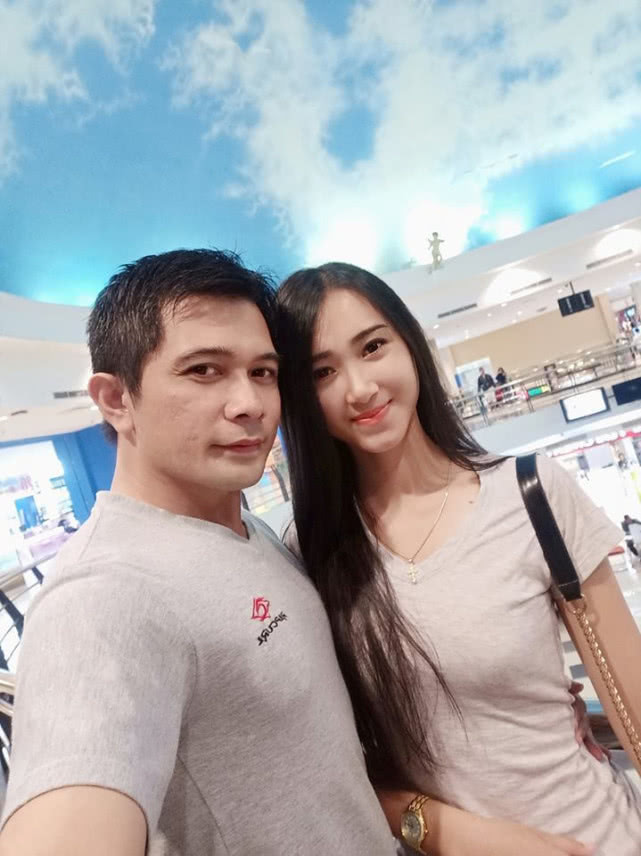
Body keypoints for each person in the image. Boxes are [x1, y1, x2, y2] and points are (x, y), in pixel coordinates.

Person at [0, 250, 400, 856]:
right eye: (204, 370)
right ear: (116, 399)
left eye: (262, 372)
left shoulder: (243, 527)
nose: (250, 403)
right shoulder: (105, 595)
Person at [276, 261, 641, 856]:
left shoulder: (531, 494)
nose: (359, 387)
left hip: (602, 837)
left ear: (410, 345)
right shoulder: (309, 553)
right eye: (323, 372)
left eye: (373, 347)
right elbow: (332, 762)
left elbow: (633, 704)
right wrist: (450, 831)